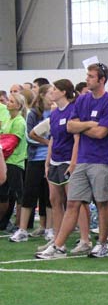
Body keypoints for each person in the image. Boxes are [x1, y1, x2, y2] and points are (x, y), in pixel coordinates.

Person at [36, 63, 108, 259]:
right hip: (82, 159)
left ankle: (102, 243)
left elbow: (101, 133)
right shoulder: (82, 101)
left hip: (102, 159)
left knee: (102, 202)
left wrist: (81, 126)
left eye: (91, 76)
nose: (88, 79)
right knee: (72, 202)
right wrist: (89, 124)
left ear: (101, 80)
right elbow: (70, 127)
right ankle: (58, 246)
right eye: (88, 75)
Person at [9, 84, 52, 241]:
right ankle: (22, 229)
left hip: (51, 159)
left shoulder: (55, 112)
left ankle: (49, 229)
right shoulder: (34, 113)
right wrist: (47, 142)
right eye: (50, 92)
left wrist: (49, 143)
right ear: (42, 95)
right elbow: (29, 136)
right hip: (35, 158)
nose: (52, 95)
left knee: (49, 196)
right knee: (29, 194)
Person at [41, 80, 79, 249]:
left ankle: (75, 239)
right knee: (54, 199)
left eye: (55, 90)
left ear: (64, 92)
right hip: (55, 160)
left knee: (72, 201)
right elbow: (53, 138)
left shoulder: (72, 111)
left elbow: (77, 139)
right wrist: (47, 161)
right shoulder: (54, 113)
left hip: (67, 160)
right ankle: (57, 238)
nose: (52, 93)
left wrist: (73, 162)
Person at [2, 93, 28, 239]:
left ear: (18, 105)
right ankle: (7, 221)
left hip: (15, 161)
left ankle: (20, 224)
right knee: (7, 194)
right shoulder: (8, 120)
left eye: (12, 101)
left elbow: (10, 144)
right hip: (6, 161)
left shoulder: (19, 122)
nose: (8, 103)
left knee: (18, 193)